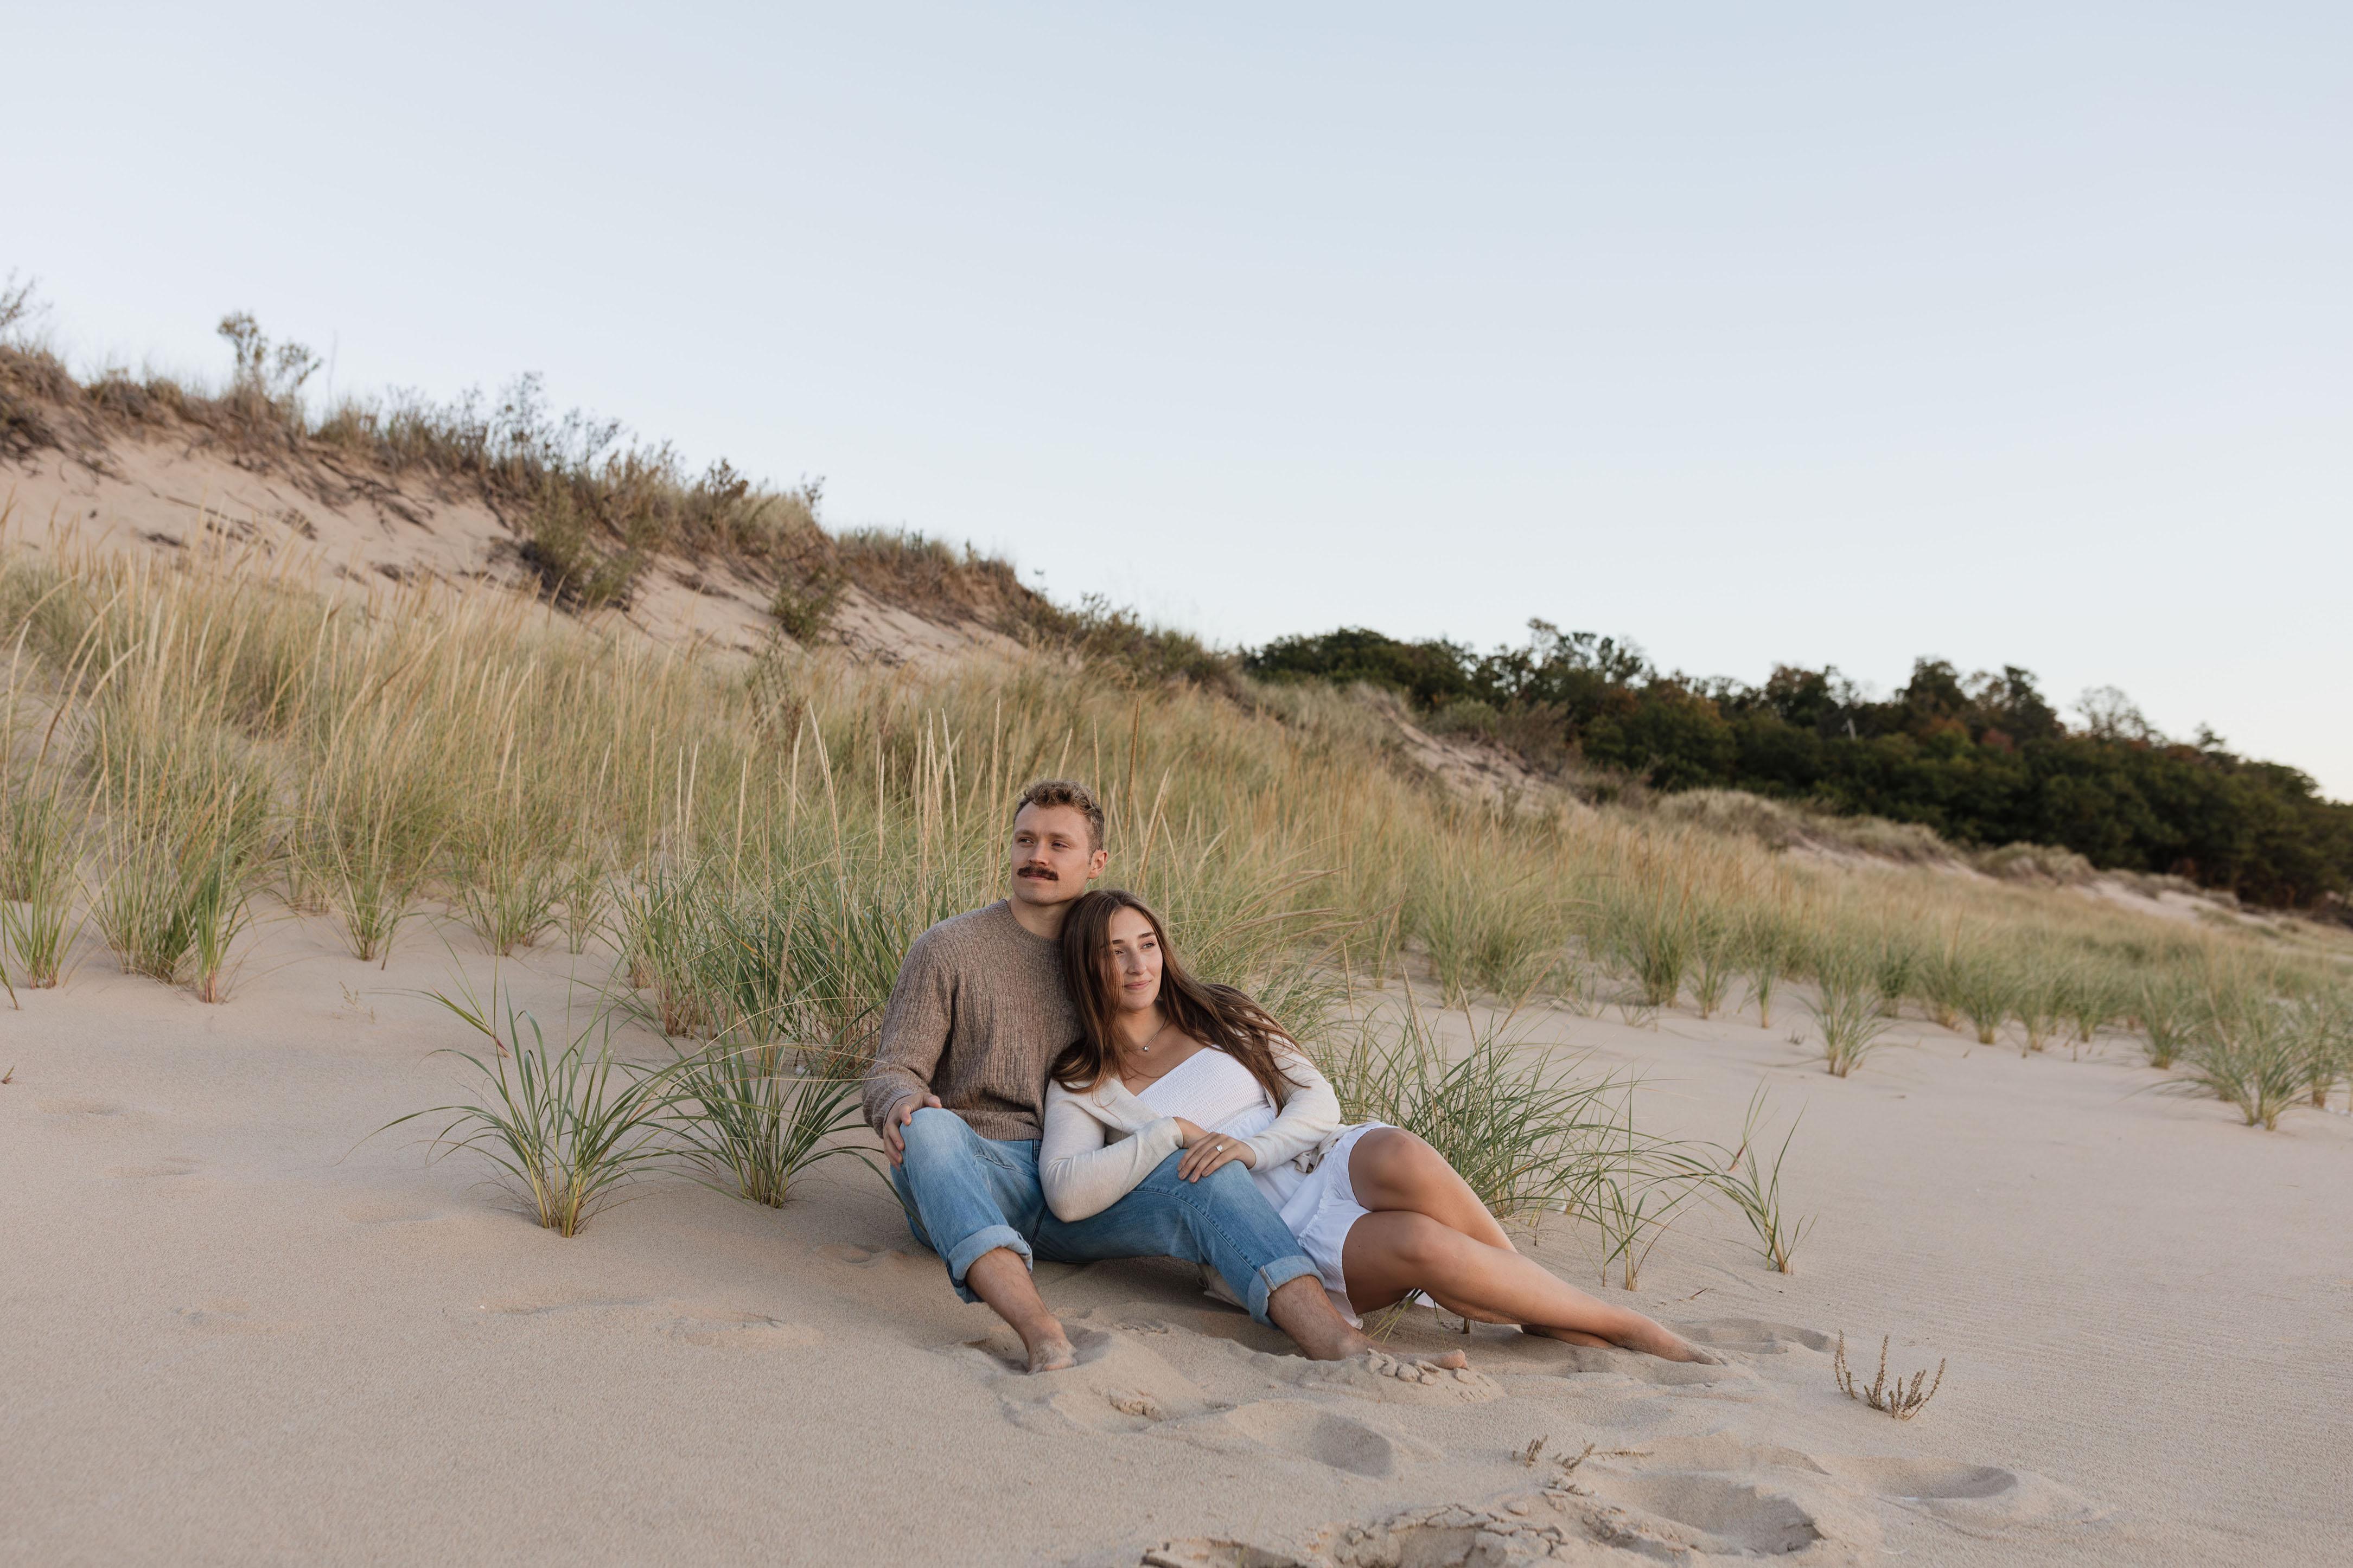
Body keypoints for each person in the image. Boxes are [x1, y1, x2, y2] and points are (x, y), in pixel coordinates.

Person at [864, 779, 1468, 1378]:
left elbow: (1170, 1034)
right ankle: (1039, 1330)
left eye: (1057, 844)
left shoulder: (1110, 954)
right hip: (972, 1170)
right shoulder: (949, 948)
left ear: (1096, 862)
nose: (1037, 856)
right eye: (1025, 840)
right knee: (928, 1128)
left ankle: (1340, 1344)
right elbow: (893, 1069)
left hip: (1085, 1183)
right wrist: (898, 1099)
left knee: (1205, 1172)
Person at [1038, 888, 1722, 1364]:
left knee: (1401, 1149)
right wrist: (1167, 1133)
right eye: (1114, 951)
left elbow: (1317, 1099)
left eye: (1147, 944)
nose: (1138, 965)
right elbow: (1066, 1193)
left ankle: (1544, 1307)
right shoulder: (1085, 1077)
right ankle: (1609, 1322)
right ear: (1084, 964)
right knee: (1419, 1242)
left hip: (1313, 1152)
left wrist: (1252, 1146)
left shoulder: (1216, 1009)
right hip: (1274, 1226)